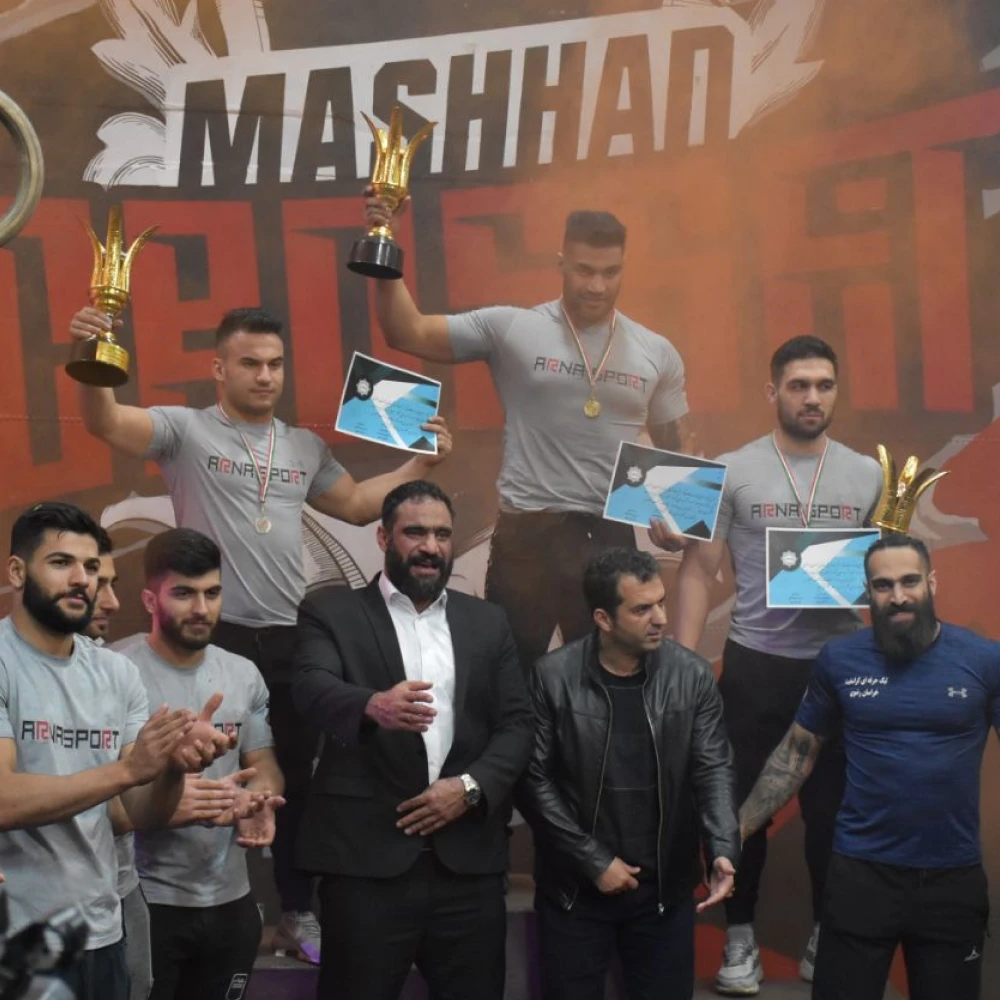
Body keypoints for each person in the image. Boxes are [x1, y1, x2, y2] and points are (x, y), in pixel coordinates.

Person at [70, 305, 453, 961]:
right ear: (219, 368)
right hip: (204, 636)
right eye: (250, 363)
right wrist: (93, 358)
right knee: (181, 767)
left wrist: (421, 463)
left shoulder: (302, 446)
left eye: (275, 364)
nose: (266, 375)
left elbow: (356, 505)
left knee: (292, 778)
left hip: (287, 636)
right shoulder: (185, 430)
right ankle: (165, 903)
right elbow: (104, 420)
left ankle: (297, 912)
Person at [363, 196, 691, 671]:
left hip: (608, 536)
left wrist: (675, 521)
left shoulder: (655, 351)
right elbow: (406, 331)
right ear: (561, 263)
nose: (597, 285)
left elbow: (676, 447)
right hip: (528, 534)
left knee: (612, 680)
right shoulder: (513, 327)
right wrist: (385, 241)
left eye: (610, 272)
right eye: (584, 270)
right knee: (509, 681)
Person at [670, 335, 883, 994]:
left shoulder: (868, 474)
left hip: (840, 666)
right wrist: (684, 665)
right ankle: (739, 937)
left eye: (824, 385)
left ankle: (826, 932)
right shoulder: (731, 469)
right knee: (741, 809)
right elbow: (699, 569)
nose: (812, 397)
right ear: (773, 392)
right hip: (757, 664)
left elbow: (885, 571)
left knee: (834, 813)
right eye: (798, 385)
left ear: (836, 391)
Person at [292, 480, 534, 1000]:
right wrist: (371, 704)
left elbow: (518, 724)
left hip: (467, 868)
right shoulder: (331, 612)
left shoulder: (487, 621)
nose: (431, 547)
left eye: (442, 535)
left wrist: (469, 787)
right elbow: (311, 687)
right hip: (365, 866)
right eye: (415, 533)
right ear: (383, 538)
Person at [739, 534, 998, 1000]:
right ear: (867, 591)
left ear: (931, 583)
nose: (898, 596)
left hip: (951, 879)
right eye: (883, 585)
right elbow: (795, 756)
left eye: (909, 581)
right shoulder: (840, 659)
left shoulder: (984, 659)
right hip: (861, 876)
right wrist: (735, 831)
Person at [0, 502, 234, 1000]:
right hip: (19, 933)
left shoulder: (115, 673)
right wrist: (129, 769)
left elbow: (138, 813)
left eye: (90, 566)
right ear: (17, 572)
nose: (81, 580)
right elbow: (3, 799)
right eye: (61, 563)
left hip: (102, 930)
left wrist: (171, 768)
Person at [519, 548, 739, 1000]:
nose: (661, 618)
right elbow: (532, 780)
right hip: (576, 890)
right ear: (603, 618)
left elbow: (713, 768)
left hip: (663, 894)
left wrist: (721, 847)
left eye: (661, 602)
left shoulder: (691, 676)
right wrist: (594, 861)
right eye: (642, 609)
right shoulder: (552, 677)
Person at [114, 528, 284, 1000]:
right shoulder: (116, 671)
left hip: (231, 901)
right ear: (150, 600)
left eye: (212, 593)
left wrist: (259, 800)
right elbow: (92, 788)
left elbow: (263, 763)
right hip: (146, 900)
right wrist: (163, 801)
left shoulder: (242, 674)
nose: (201, 609)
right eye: (184, 594)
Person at [79, 529, 154, 1000]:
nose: (110, 601)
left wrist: (172, 767)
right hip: (31, 905)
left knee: (137, 987)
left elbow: (127, 813)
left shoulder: (119, 672)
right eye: (95, 583)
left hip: (121, 889)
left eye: (110, 582)